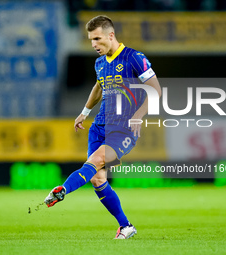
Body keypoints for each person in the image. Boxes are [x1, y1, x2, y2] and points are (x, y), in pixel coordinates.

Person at [44, 15, 161, 239]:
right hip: (99, 127)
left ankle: (63, 190)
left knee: (95, 161)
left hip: (123, 129)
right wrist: (85, 112)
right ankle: (126, 226)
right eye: (90, 40)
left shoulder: (134, 58)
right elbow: (99, 87)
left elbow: (156, 90)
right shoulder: (99, 63)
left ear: (111, 35)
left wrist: (138, 115)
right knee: (98, 179)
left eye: (97, 39)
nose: (94, 45)